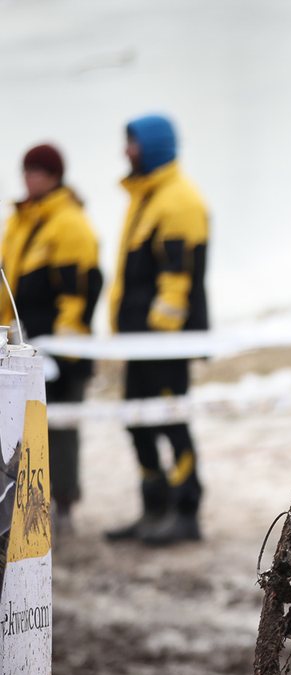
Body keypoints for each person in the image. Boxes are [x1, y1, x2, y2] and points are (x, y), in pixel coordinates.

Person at [104, 114, 210, 545]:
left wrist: (157, 337)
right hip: (141, 340)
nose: (125, 150)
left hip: (164, 341)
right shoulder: (146, 195)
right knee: (136, 420)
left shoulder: (178, 199)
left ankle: (186, 510)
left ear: (151, 146)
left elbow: (176, 276)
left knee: (171, 420)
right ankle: (154, 506)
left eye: (131, 143)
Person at [0, 143, 102, 534]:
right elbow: (8, 285)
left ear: (55, 176)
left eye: (37, 171)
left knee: (60, 430)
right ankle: (26, 503)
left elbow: (80, 292)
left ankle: (65, 508)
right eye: (26, 170)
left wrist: (66, 349)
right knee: (23, 427)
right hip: (23, 346)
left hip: (62, 351)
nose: (29, 178)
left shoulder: (70, 222)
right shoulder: (21, 220)